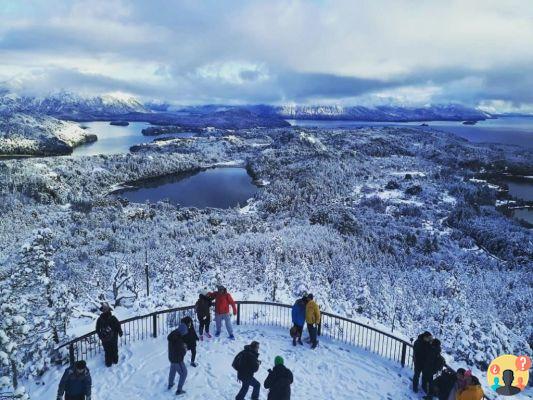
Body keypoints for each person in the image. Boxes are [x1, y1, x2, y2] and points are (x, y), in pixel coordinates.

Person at [95, 303, 123, 367]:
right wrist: (120, 332)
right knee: (111, 349)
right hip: (109, 337)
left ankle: (111, 361)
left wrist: (100, 335)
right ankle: (112, 361)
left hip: (107, 337)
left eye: (105, 309)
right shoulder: (106, 318)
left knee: (110, 349)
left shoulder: (101, 319)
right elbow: (118, 325)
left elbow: (97, 329)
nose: (104, 310)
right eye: (103, 309)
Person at [168, 322, 188, 395]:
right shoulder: (178, 340)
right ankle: (179, 390)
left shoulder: (173, 334)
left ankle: (170, 384)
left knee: (172, 370)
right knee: (184, 373)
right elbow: (182, 353)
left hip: (171, 357)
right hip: (177, 359)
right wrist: (185, 348)